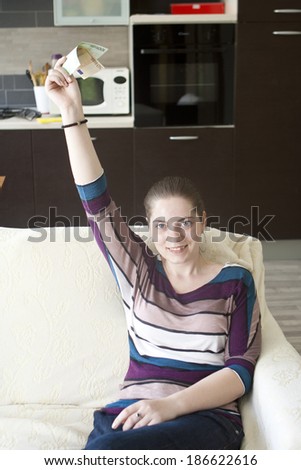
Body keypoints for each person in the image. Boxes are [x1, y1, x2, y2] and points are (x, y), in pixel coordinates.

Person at [45, 57, 261, 450]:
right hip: (129, 414)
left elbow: (240, 370)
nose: (173, 234)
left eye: (184, 222)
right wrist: (71, 113)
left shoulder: (235, 280)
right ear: (151, 230)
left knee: (105, 453)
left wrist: (171, 406)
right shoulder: (138, 270)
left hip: (204, 418)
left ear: (201, 222)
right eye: (161, 225)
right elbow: (96, 200)